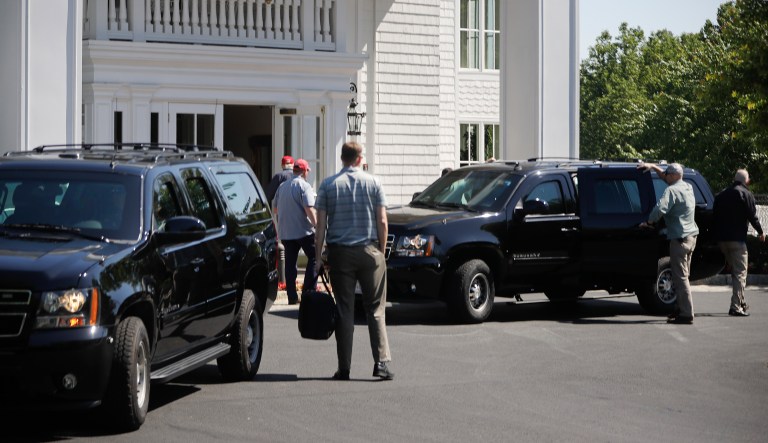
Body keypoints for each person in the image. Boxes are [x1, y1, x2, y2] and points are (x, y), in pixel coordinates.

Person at [314, 141, 394, 381]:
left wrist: (318, 258)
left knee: (344, 309)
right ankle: (380, 363)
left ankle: (344, 367)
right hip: (369, 250)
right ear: (359, 159)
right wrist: (380, 250)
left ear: (342, 158)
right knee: (375, 309)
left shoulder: (328, 185)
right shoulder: (374, 183)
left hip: (340, 253)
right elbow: (382, 221)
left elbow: (320, 227)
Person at [639, 162, 699, 324]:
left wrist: (650, 222)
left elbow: (660, 209)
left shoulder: (671, 191)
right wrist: (653, 166)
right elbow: (666, 178)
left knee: (680, 278)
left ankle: (686, 314)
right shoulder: (688, 187)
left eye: (667, 174)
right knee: (683, 276)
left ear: (672, 175)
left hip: (679, 239)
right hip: (691, 237)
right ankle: (679, 309)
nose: (664, 176)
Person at [713, 169, 765, 317]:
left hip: (722, 241)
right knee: (740, 273)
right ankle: (735, 307)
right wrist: (760, 232)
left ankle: (741, 302)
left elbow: (714, 216)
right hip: (737, 241)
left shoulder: (721, 194)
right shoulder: (745, 194)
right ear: (746, 180)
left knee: (736, 272)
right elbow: (752, 216)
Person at [272, 159, 318, 305]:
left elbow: (275, 209)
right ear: (304, 171)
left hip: (286, 232)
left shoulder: (282, 186)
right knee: (315, 257)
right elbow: (309, 208)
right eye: (307, 171)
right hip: (303, 230)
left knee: (290, 264)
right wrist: (317, 225)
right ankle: (308, 293)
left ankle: (292, 296)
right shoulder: (304, 186)